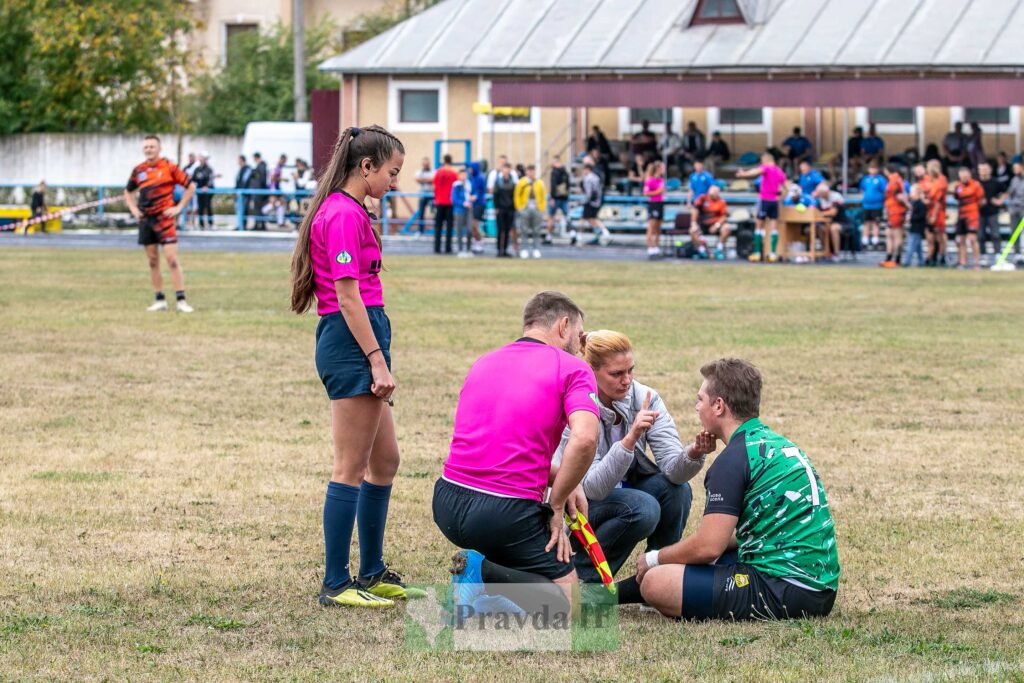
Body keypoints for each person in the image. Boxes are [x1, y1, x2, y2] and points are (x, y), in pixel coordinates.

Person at [289, 124, 419, 608]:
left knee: (385, 461)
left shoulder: (354, 211)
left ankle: (371, 570)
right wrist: (376, 360)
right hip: (351, 344)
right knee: (350, 467)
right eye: (391, 172)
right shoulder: (341, 214)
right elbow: (347, 296)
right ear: (366, 167)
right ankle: (335, 583)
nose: (394, 182)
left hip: (363, 339)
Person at [632, 358, 840, 622]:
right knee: (685, 562)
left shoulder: (732, 460)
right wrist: (672, 557)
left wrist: (654, 558)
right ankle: (604, 595)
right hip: (820, 588)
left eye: (700, 399)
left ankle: (591, 598)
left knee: (656, 582)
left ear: (719, 405)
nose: (697, 407)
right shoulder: (775, 443)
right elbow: (738, 537)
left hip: (784, 590)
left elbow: (708, 547)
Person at [434, 291, 600, 613]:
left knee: (529, 574)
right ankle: (480, 571)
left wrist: (567, 483)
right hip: (503, 513)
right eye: (579, 338)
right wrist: (554, 505)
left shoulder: (485, 360)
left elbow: (500, 448)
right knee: (570, 612)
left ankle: (485, 582)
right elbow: (585, 439)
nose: (579, 348)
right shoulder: (572, 368)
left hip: (447, 503)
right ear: (564, 326)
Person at [551, 330, 714, 589]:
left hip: (623, 497)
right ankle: (583, 582)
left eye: (630, 370)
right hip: (577, 509)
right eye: (616, 374)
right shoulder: (575, 405)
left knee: (677, 491)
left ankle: (658, 578)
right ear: (590, 371)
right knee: (643, 507)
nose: (627, 380)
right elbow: (593, 487)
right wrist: (630, 438)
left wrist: (695, 451)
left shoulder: (644, 398)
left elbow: (673, 470)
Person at [124, 134, 195, 313]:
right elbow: (128, 191)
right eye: (146, 147)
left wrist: (178, 208)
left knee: (171, 259)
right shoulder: (139, 170)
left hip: (165, 220)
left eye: (152, 147)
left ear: (159, 149)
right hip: (146, 220)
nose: (149, 150)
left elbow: (190, 187)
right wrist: (133, 209)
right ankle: (159, 299)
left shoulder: (170, 167)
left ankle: (181, 300)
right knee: (153, 261)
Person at [736, 152, 787, 262]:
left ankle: (758, 253)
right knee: (774, 226)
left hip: (765, 200)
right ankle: (772, 254)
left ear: (766, 159)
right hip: (775, 201)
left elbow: (756, 171)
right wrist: (781, 197)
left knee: (759, 225)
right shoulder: (779, 171)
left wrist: (744, 174)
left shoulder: (766, 168)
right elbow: (786, 188)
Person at [574, 159, 610, 247]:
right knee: (591, 219)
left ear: (588, 170)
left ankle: (579, 236)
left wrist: (584, 201)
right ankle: (601, 233)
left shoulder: (588, 178)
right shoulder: (596, 177)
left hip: (591, 201)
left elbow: (589, 192)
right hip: (597, 200)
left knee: (584, 219)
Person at [514, 164, 547, 259]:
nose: (531, 173)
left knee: (536, 230)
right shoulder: (522, 182)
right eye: (529, 171)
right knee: (524, 230)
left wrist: (541, 209)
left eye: (532, 171)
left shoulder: (539, 183)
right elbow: (517, 195)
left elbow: (543, 196)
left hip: (536, 208)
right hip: (526, 207)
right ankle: (524, 249)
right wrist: (519, 207)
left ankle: (536, 249)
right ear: (526, 171)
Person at [953, 167, 983, 270]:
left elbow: (981, 200)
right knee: (960, 240)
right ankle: (963, 262)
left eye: (965, 176)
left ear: (969, 175)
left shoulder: (976, 185)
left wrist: (974, 210)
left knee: (972, 239)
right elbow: (957, 198)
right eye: (961, 176)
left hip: (972, 216)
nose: (963, 178)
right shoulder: (958, 186)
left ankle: (977, 263)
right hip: (961, 215)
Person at [692, 185, 731, 261]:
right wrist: (693, 223)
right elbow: (695, 209)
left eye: (713, 194)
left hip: (716, 225)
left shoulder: (721, 202)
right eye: (710, 193)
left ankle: (719, 250)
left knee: (727, 227)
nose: (711, 195)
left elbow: (724, 216)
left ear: (718, 194)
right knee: (692, 230)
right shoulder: (702, 198)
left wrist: (717, 225)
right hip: (703, 224)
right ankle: (702, 251)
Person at [881, 166, 909, 267]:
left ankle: (896, 258)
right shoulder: (897, 180)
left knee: (896, 235)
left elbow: (899, 195)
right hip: (893, 211)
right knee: (889, 233)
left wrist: (908, 206)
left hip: (895, 211)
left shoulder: (894, 181)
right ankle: (890, 257)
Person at [977, 162, 1004, 264]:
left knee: (995, 234)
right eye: (981, 169)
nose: (983, 172)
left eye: (985, 169)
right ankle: (983, 254)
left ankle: (997, 253)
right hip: (980, 212)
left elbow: (1005, 192)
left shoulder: (995, 182)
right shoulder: (976, 183)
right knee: (980, 235)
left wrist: (999, 201)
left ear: (990, 170)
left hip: (993, 212)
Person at [812, 182, 846, 260]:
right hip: (826, 222)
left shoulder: (836, 196)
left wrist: (820, 213)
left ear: (826, 192)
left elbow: (833, 212)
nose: (819, 195)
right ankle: (826, 251)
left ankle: (837, 253)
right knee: (819, 228)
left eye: (820, 193)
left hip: (841, 222)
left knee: (833, 228)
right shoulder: (820, 199)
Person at [926, 159, 949, 266]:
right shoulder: (930, 180)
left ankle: (942, 257)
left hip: (938, 213)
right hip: (929, 211)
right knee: (931, 237)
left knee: (940, 235)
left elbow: (939, 200)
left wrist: (934, 215)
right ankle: (932, 256)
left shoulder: (941, 180)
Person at [432, 154, 457, 255]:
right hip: (450, 202)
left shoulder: (438, 172)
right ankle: (448, 248)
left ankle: (437, 248)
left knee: (438, 226)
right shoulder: (454, 173)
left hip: (439, 202)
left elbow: (434, 186)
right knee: (449, 227)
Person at [858, 162, 886, 250]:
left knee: (875, 223)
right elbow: (862, 190)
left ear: (877, 170)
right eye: (871, 168)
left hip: (877, 205)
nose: (873, 170)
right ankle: (865, 241)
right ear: (868, 169)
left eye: (874, 168)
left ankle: (875, 241)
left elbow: (885, 191)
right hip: (866, 205)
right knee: (866, 223)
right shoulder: (865, 179)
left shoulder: (881, 179)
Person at [642, 160, 665, 260]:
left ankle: (656, 247)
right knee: (651, 227)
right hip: (653, 204)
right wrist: (657, 192)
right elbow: (646, 193)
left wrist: (660, 192)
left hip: (660, 204)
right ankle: (650, 248)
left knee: (658, 228)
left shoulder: (661, 180)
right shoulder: (650, 180)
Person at [493, 163, 517, 257]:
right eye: (504, 169)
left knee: (507, 230)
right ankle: (499, 250)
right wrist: (496, 207)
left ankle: (505, 249)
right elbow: (495, 196)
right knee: (500, 230)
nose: (506, 171)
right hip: (501, 209)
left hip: (510, 209)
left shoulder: (513, 183)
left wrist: (513, 208)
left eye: (507, 169)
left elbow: (514, 197)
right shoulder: (498, 182)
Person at [546, 155, 571, 243]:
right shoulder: (565, 171)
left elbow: (553, 185)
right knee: (567, 217)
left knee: (551, 217)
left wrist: (552, 197)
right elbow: (568, 184)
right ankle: (574, 234)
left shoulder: (555, 172)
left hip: (556, 198)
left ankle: (549, 236)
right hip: (564, 197)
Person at [451, 168, 474, 258]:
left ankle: (469, 249)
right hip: (459, 210)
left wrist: (474, 197)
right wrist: (463, 203)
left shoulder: (469, 184)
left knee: (469, 229)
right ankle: (460, 250)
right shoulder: (456, 185)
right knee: (459, 230)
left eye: (465, 175)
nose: (464, 176)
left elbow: (475, 193)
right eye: (462, 175)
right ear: (459, 176)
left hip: (469, 210)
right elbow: (454, 199)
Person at [904, 184, 928, 267]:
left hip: (917, 228)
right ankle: (921, 261)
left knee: (911, 245)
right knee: (918, 247)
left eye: (912, 192)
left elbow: (921, 216)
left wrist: (911, 218)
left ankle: (907, 261)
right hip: (914, 227)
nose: (910, 194)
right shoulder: (914, 203)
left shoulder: (921, 204)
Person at [192, 153, 215, 230]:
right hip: (199, 192)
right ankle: (201, 223)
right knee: (200, 207)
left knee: (208, 207)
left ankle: (210, 223)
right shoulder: (197, 169)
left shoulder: (209, 169)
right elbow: (193, 179)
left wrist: (207, 187)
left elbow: (211, 180)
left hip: (207, 192)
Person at [1007, 162, 1024, 263]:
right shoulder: (1014, 180)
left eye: (1016, 168)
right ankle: (1016, 253)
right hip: (1014, 209)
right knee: (1014, 231)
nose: (1014, 170)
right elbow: (1010, 193)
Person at [413, 157, 434, 238]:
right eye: (424, 164)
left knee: (434, 212)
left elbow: (433, 179)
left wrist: (423, 180)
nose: (425, 165)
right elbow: (417, 179)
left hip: (431, 195)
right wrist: (428, 180)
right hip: (422, 195)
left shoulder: (433, 171)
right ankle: (420, 231)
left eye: (427, 164)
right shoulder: (419, 171)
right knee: (421, 213)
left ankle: (434, 229)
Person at [249, 152, 268, 230]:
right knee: (259, 208)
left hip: (259, 190)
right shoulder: (261, 166)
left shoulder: (261, 166)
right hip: (259, 190)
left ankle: (259, 225)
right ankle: (260, 224)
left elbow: (262, 179)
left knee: (258, 208)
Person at [235, 156, 252, 231]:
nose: (238, 162)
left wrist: (241, 191)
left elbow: (244, 182)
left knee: (244, 209)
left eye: (239, 160)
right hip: (239, 193)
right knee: (239, 209)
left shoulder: (247, 169)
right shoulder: (241, 169)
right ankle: (240, 224)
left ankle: (243, 225)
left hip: (244, 194)